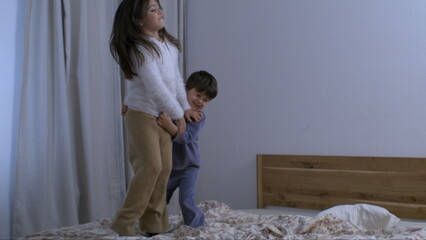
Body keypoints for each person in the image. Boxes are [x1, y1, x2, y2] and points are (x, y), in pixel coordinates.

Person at [109, 0, 199, 236]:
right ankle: (124, 222)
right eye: (152, 9)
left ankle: (154, 225)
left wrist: (185, 106)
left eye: (159, 7)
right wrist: (179, 117)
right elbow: (156, 88)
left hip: (163, 114)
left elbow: (176, 81)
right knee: (151, 167)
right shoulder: (140, 49)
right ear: (138, 19)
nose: (160, 11)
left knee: (165, 168)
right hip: (141, 114)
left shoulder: (168, 45)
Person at [157, 70, 218, 228]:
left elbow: (186, 137)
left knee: (186, 200)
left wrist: (171, 127)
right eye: (198, 95)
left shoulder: (199, 117)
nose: (200, 102)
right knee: (158, 198)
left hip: (189, 167)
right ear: (185, 90)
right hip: (169, 167)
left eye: (205, 100)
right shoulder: (172, 106)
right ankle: (155, 226)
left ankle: (197, 226)